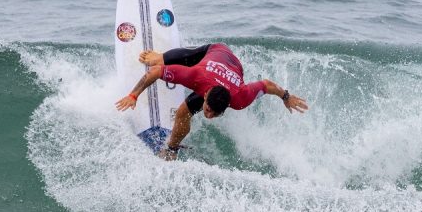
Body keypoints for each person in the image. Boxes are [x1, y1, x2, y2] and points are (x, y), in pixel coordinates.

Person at [115, 43, 308, 159]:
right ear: (205, 96)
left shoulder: (240, 98)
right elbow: (155, 72)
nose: (208, 116)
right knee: (161, 63)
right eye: (208, 110)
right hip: (215, 51)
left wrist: (286, 97)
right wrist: (133, 96)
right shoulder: (195, 76)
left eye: (215, 114)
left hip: (233, 66)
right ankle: (160, 55)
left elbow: (267, 85)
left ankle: (172, 149)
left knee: (183, 112)